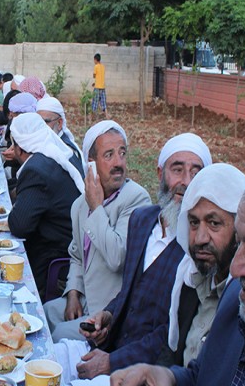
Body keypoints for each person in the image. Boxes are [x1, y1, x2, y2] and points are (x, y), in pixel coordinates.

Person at [111, 151, 245, 385]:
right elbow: (203, 375)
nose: (236, 269)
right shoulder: (234, 299)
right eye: (239, 242)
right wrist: (167, 377)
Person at [55, 133, 212, 382]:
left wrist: (111, 362)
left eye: (196, 173)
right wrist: (107, 316)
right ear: (160, 174)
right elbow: (128, 291)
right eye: (178, 170)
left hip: (142, 370)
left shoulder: (199, 247)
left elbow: (172, 333)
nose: (186, 182)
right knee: (46, 360)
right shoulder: (143, 219)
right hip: (109, 346)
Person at [44, 121, 151, 342]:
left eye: (122, 153)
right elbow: (76, 256)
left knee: (59, 335)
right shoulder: (79, 206)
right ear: (91, 163)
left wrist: (97, 208)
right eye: (109, 155)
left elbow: (116, 257)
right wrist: (73, 292)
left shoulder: (136, 199)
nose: (118, 163)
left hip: (111, 311)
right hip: (85, 297)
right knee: (44, 313)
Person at [157, 163, 245, 367]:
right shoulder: (189, 280)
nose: (200, 238)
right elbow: (170, 355)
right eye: (194, 223)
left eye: (214, 223)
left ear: (240, 229)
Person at [7, 113, 84, 296]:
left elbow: (19, 225)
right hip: (69, 240)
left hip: (56, 256)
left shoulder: (36, 169)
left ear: (20, 147)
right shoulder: (55, 152)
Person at [37, 96, 85, 173]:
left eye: (46, 122)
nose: (41, 126)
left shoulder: (67, 151)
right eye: (38, 122)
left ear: (59, 123)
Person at [92, 53, 110, 119]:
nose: (94, 61)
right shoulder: (103, 67)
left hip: (97, 88)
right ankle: (107, 116)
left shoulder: (96, 66)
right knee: (103, 102)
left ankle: (93, 117)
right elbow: (100, 77)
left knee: (95, 102)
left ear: (96, 60)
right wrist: (95, 83)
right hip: (102, 87)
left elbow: (94, 76)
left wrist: (95, 81)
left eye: (94, 60)